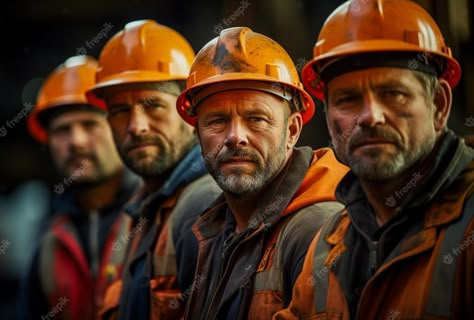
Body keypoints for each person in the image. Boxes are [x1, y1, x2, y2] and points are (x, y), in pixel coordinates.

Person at [275, 0, 474, 319]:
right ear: (329, 121)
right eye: (348, 99)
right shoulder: (328, 245)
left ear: (438, 105)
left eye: (393, 93)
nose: (370, 117)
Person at [175, 26, 349, 320]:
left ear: (292, 130)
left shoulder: (318, 229)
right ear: (198, 134)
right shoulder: (212, 229)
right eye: (217, 121)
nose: (235, 137)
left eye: (256, 119)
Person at [85, 20, 221, 320]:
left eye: (154, 105)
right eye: (120, 111)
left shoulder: (206, 204)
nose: (137, 127)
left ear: (190, 110)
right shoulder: (140, 209)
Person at [20, 55, 140, 320]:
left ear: (120, 129)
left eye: (89, 125)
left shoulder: (157, 213)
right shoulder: (49, 237)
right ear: (48, 142)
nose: (76, 141)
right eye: (63, 130)